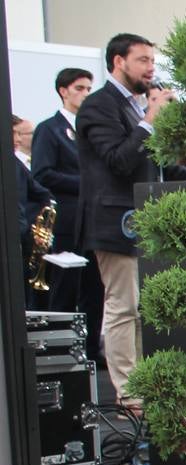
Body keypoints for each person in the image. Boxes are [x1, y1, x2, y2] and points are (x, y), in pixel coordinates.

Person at [75, 33, 175, 407]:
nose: (152, 68)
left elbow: (156, 164)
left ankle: (141, 381)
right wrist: (150, 119)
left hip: (146, 219)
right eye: (144, 60)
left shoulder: (135, 107)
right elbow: (119, 159)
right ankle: (128, 390)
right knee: (123, 306)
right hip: (115, 222)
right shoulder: (98, 106)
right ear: (119, 62)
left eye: (153, 60)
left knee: (141, 308)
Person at [33, 67, 102, 336]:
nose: (85, 94)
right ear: (63, 91)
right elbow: (42, 173)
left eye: (88, 89)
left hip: (93, 221)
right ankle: (58, 347)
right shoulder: (50, 130)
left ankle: (92, 349)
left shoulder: (89, 130)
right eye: (79, 88)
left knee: (94, 289)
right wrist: (86, 184)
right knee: (65, 288)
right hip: (67, 221)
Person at [13, 116, 55, 310]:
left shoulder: (17, 165)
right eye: (13, 133)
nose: (16, 139)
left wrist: (39, 228)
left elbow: (42, 194)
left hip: (23, 236)